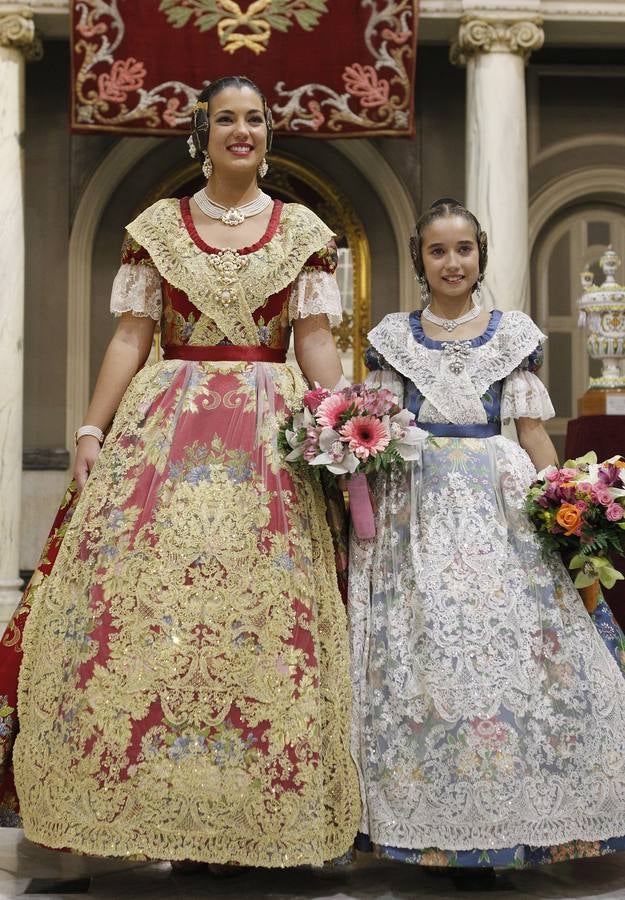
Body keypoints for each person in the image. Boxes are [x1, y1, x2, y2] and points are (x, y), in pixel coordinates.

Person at [4, 75, 360, 867]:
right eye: (227, 119)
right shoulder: (157, 227)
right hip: (166, 427)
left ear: (270, 134)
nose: (244, 131)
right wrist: (94, 426)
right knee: (146, 614)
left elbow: (315, 344)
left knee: (260, 616)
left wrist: (345, 427)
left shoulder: (302, 228)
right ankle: (151, 799)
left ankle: (254, 808)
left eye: (256, 118)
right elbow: (134, 337)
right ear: (202, 133)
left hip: (270, 437)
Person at [349, 198, 625, 879]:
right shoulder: (392, 338)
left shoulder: (512, 336)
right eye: (438, 250)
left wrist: (564, 503)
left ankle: (512, 816)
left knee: (504, 642)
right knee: (428, 645)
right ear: (419, 260)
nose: (452, 262)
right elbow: (375, 426)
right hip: (414, 504)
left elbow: (530, 434)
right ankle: (427, 818)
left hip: (493, 502)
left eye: (464, 249)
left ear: (481, 255)